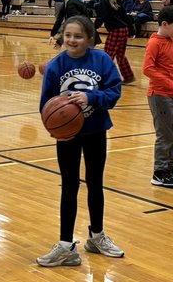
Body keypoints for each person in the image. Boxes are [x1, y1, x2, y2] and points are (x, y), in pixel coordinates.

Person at [35, 15, 124, 268]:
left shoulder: (102, 60)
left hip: (96, 130)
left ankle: (97, 237)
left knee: (95, 183)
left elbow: (114, 92)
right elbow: (46, 105)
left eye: (78, 36)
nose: (72, 40)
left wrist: (91, 98)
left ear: (90, 39)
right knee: (69, 185)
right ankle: (66, 246)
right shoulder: (55, 66)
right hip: (68, 136)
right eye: (68, 35)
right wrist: (55, 128)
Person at [143, 5, 173, 188]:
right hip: (160, 95)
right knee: (165, 135)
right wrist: (171, 83)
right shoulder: (154, 42)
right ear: (164, 24)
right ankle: (159, 172)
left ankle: (171, 167)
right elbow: (147, 69)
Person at [93, 0, 135, 82]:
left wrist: (93, 27)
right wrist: (132, 30)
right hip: (124, 29)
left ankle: (102, 78)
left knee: (108, 54)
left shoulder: (104, 1)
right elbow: (124, 15)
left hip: (116, 30)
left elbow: (101, 17)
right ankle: (128, 76)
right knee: (120, 55)